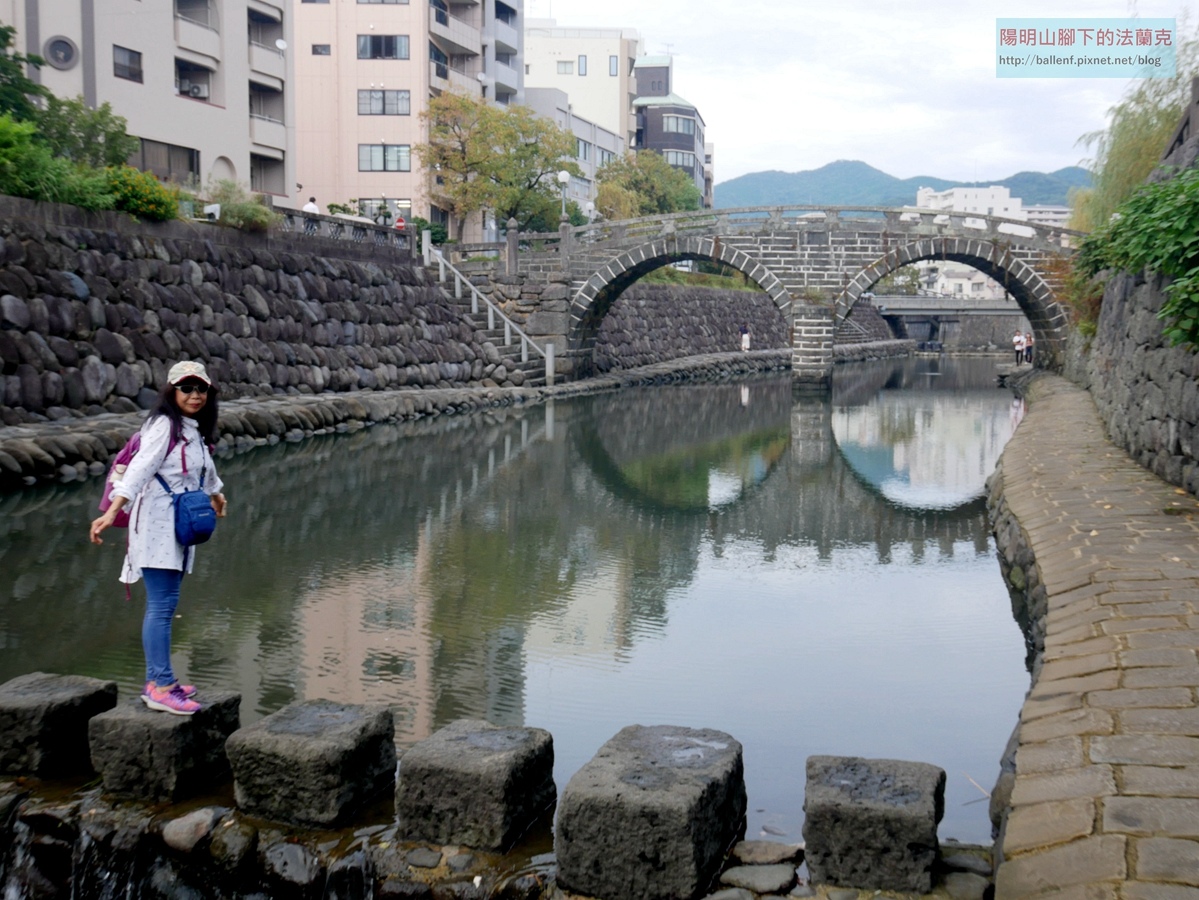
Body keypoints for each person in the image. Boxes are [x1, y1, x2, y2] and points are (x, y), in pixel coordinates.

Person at [90, 361, 227, 716]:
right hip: (156, 526)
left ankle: (157, 680)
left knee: (165, 604)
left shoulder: (191, 429)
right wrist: (111, 512)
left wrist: (217, 494)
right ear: (172, 391)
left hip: (177, 525)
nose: (195, 395)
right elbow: (139, 471)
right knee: (162, 607)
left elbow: (204, 469)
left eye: (201, 389)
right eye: (187, 388)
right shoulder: (164, 425)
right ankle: (162, 687)